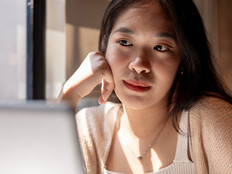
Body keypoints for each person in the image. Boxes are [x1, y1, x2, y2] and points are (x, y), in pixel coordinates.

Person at [58, 0, 232, 173]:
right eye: (125, 42)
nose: (139, 64)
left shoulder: (209, 117)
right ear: (105, 46)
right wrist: (70, 94)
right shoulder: (88, 128)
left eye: (160, 47)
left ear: (183, 61)